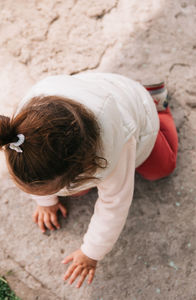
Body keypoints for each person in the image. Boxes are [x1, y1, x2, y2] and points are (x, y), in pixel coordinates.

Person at [0, 72, 178, 288]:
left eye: (57, 188)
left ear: (85, 166)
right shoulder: (21, 135)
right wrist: (45, 201)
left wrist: (91, 253)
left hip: (137, 112)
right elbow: (34, 171)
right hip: (92, 96)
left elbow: (114, 205)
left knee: (161, 167)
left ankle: (159, 105)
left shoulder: (116, 150)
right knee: (74, 189)